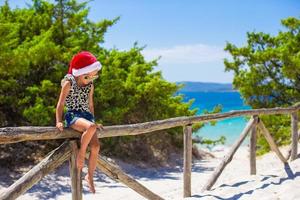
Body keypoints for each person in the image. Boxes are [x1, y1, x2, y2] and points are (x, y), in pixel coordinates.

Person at [55, 51, 104, 193]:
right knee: (90, 127)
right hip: (73, 115)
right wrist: (58, 121)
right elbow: (60, 104)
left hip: (87, 117)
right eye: (90, 75)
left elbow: (91, 105)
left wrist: (94, 121)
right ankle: (81, 154)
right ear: (82, 73)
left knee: (95, 147)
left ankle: (89, 176)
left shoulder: (90, 86)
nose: (93, 78)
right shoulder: (69, 83)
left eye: (95, 75)